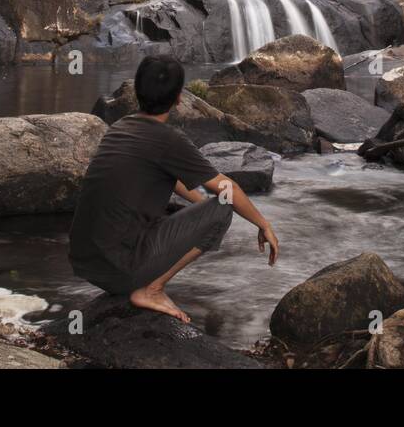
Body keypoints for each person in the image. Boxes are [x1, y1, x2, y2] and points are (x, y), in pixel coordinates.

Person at [69, 55, 280, 322]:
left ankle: (141, 279)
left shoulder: (121, 127)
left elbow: (174, 177)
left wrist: (198, 207)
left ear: (137, 91)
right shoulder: (168, 140)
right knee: (223, 208)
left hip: (85, 262)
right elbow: (228, 188)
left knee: (199, 208)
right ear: (179, 98)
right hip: (119, 269)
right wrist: (264, 225)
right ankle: (152, 289)